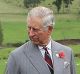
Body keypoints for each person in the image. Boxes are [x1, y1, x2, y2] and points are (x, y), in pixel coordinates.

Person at [5, 6, 76, 74]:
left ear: (49, 29)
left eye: (35, 30)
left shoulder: (67, 52)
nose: (31, 34)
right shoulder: (16, 56)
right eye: (29, 28)